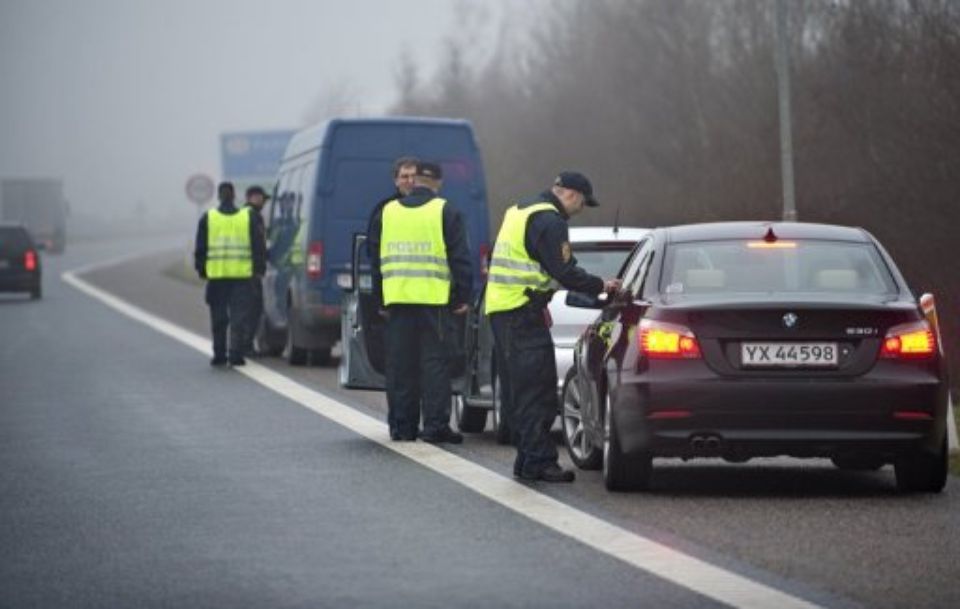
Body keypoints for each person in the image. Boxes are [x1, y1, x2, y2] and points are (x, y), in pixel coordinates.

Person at [485, 171, 621, 482]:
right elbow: (565, 271)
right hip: (520, 311)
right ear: (571, 194)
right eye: (583, 203)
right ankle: (538, 462)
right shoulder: (550, 221)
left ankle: (527, 459)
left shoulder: (520, 209)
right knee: (538, 390)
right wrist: (602, 285)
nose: (580, 210)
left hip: (506, 309)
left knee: (523, 389)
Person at [368, 162, 473, 443]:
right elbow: (460, 259)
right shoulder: (446, 211)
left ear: (414, 182)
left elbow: (375, 262)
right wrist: (462, 296)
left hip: (398, 301)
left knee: (400, 365)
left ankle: (402, 427)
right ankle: (435, 426)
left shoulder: (387, 212)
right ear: (438, 182)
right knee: (434, 365)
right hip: (434, 302)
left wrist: (380, 300)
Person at [194, 181, 267, 367]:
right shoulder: (247, 217)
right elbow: (258, 247)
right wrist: (259, 270)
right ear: (234, 196)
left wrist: (202, 270)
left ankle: (219, 355)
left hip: (217, 278)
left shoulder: (208, 218)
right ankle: (235, 355)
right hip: (241, 278)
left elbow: (200, 249)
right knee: (239, 319)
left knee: (219, 319)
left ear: (219, 196)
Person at [366, 156, 419, 256]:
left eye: (414, 176)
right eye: (405, 177)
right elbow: (373, 248)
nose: (410, 181)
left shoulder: (435, 208)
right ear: (396, 181)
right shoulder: (383, 208)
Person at [240, 184, 270, 356]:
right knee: (252, 309)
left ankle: (244, 345)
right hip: (249, 271)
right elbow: (256, 245)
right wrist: (259, 265)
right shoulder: (251, 216)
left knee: (248, 309)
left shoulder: (249, 215)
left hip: (247, 270)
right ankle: (246, 345)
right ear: (251, 197)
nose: (263, 202)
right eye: (260, 198)